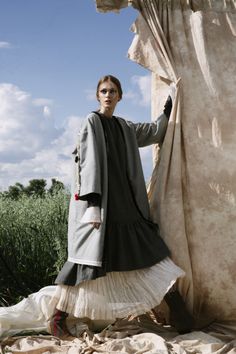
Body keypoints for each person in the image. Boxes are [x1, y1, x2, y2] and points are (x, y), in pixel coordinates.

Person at [49, 75, 193, 337]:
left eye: (113, 91)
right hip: (100, 208)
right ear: (97, 96)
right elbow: (87, 163)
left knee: (152, 253)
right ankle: (58, 319)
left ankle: (179, 312)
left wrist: (170, 106)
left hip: (128, 208)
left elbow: (154, 132)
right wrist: (92, 205)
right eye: (103, 91)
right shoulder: (91, 122)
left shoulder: (125, 127)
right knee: (86, 266)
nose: (108, 95)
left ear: (119, 96)